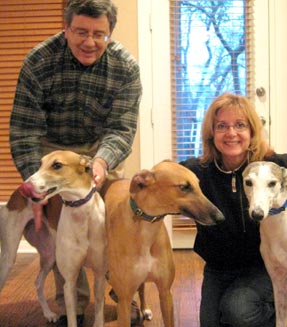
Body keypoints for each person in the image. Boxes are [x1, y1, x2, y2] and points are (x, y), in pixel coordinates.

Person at [9, 1, 142, 326]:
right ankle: (76, 306)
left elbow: (121, 130)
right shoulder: (38, 61)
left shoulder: (125, 67)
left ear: (109, 33)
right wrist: (33, 186)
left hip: (101, 150)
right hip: (52, 150)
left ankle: (120, 287)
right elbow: (24, 130)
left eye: (100, 34)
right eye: (81, 32)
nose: (90, 42)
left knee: (117, 211)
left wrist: (100, 163)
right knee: (62, 224)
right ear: (65, 28)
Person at [181, 92, 287, 327]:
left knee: (237, 312)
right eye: (222, 126)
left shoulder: (275, 166)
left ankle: (265, 311)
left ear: (251, 132)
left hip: (263, 266)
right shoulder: (199, 171)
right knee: (213, 321)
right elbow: (162, 182)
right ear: (211, 133)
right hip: (219, 268)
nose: (231, 133)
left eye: (240, 125)